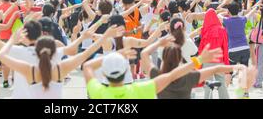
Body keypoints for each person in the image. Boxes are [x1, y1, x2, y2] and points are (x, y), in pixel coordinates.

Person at [83, 43, 223, 99]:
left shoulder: (97, 91)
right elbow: (171, 76)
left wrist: (115, 54)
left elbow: (87, 66)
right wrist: (199, 60)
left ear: (104, 73)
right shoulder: (139, 89)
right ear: (126, 69)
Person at [141, 37, 243, 99]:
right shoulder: (188, 77)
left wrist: (159, 43)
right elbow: (216, 69)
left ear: (163, 58)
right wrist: (237, 67)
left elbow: (144, 53)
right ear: (180, 59)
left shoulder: (157, 76)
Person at [198, 8, 230, 99]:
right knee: (222, 84)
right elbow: (225, 48)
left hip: (207, 61)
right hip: (219, 60)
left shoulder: (204, 30)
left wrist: (200, 62)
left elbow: (201, 48)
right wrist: (227, 65)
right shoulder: (222, 30)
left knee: (208, 85)